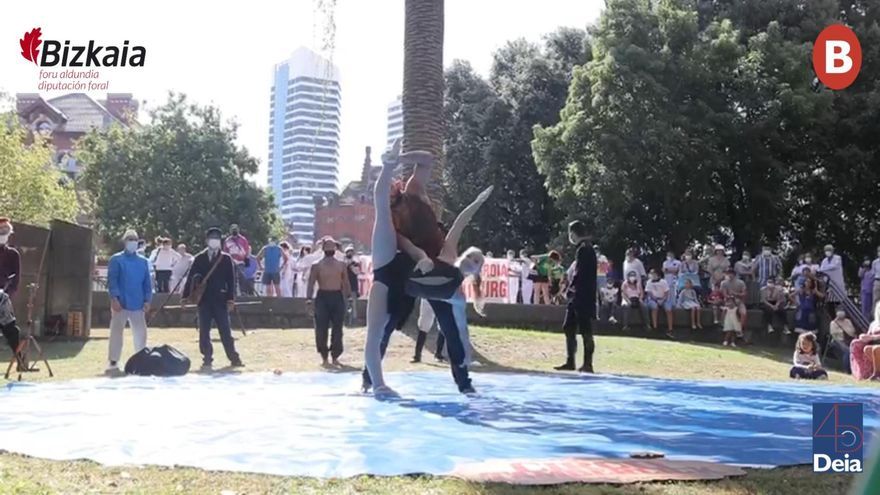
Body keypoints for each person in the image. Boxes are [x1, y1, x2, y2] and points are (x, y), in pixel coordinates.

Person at [362, 139, 465, 396]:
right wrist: (387, 166)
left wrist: (399, 159)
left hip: (424, 266)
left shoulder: (414, 191)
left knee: (450, 321)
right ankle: (374, 381)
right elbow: (407, 244)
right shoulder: (389, 224)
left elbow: (427, 158)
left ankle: (463, 379)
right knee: (379, 331)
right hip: (400, 270)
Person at [183, 227, 243, 370]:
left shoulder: (226, 259)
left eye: (217, 238)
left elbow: (231, 280)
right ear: (207, 240)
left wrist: (231, 299)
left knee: (225, 331)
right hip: (203, 300)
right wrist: (185, 297)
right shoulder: (199, 258)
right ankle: (207, 358)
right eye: (212, 238)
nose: (214, 240)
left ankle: (234, 358)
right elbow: (190, 278)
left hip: (221, 300)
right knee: (204, 331)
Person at [551, 221, 597, 372]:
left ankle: (587, 364)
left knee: (585, 329)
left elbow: (579, 273)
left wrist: (569, 290)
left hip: (580, 295)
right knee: (569, 326)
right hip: (583, 295)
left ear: (573, 233)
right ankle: (571, 361)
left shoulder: (583, 249)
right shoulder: (587, 248)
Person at [106, 229, 152, 374]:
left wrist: (147, 300)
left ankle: (141, 358)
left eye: (134, 239)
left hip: (138, 303)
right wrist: (114, 298)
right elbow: (112, 280)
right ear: (125, 241)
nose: (132, 242)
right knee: (116, 332)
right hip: (120, 303)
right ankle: (113, 360)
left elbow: (147, 283)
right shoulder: (116, 259)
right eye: (129, 239)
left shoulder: (143, 261)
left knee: (140, 332)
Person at [306, 238, 351, 366]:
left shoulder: (341, 265)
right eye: (328, 246)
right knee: (321, 328)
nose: (330, 249)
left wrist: (348, 297)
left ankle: (335, 355)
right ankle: (324, 356)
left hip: (337, 296)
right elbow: (311, 282)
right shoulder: (317, 265)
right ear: (323, 249)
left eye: (332, 246)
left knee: (338, 328)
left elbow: (346, 281)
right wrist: (308, 299)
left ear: (335, 249)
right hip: (323, 297)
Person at [0, 218, 22, 359]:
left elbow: (16, 281)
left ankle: (20, 360)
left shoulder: (13, 254)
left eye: (5, 231)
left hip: (3, 297)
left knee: (11, 330)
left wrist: (6, 294)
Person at [851, 302, 880, 380]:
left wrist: (874, 337)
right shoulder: (874, 324)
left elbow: (873, 337)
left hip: (877, 345)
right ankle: (871, 372)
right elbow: (869, 335)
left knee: (876, 349)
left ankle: (876, 373)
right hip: (874, 344)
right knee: (866, 348)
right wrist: (864, 337)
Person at [644, 268, 674, 337]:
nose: (652, 275)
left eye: (653, 274)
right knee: (654, 307)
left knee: (668, 309)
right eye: (651, 274)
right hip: (653, 299)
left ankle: (670, 329)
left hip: (664, 299)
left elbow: (666, 293)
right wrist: (656, 300)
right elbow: (649, 293)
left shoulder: (663, 282)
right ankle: (655, 327)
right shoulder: (649, 282)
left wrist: (662, 300)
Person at [223, 224, 251, 296]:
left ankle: (243, 292)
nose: (234, 231)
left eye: (235, 229)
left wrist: (246, 258)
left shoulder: (243, 239)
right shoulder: (227, 240)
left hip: (241, 261)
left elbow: (247, 249)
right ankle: (233, 293)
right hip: (231, 262)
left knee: (242, 277)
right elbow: (225, 251)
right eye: (233, 230)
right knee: (232, 278)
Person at [819, 244, 845, 314]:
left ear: (832, 251)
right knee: (830, 303)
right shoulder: (824, 260)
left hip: (837, 283)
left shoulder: (838, 258)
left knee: (838, 301)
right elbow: (821, 270)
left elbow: (834, 266)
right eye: (826, 250)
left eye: (829, 250)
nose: (828, 252)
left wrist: (824, 269)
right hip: (829, 284)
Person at [344, 246, 361, 321]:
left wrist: (351, 265)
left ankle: (354, 318)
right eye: (349, 252)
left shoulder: (355, 263)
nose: (350, 253)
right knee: (344, 302)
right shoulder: (343, 263)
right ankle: (345, 317)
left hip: (353, 285)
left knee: (353, 303)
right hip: (344, 285)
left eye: (351, 251)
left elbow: (357, 272)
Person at [860, 256, 874, 322]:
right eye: (865, 260)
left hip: (872, 290)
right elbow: (860, 275)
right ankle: (865, 321)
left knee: (873, 307)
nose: (866, 262)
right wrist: (864, 268)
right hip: (865, 291)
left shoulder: (873, 269)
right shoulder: (862, 269)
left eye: (868, 260)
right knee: (865, 308)